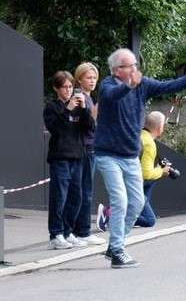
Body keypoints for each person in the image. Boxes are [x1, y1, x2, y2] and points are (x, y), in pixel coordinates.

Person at [94, 48, 186, 268]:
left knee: (136, 203)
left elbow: (168, 86)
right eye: (130, 65)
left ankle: (114, 245)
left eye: (135, 64)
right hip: (108, 155)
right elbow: (111, 97)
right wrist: (129, 86)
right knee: (120, 200)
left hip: (129, 156)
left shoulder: (142, 85)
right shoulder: (108, 85)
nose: (135, 68)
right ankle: (117, 251)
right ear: (118, 70)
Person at [43, 71, 95, 249]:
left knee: (76, 198)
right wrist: (68, 109)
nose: (68, 90)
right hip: (60, 158)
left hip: (77, 158)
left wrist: (85, 110)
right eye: (64, 87)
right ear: (56, 88)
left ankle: (67, 232)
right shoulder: (52, 107)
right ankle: (55, 235)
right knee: (59, 197)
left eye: (71, 87)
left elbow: (91, 128)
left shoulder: (78, 106)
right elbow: (56, 129)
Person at [71, 62, 105, 245]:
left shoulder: (88, 98)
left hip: (89, 147)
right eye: (88, 78)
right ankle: (81, 231)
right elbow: (86, 123)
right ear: (79, 79)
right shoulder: (79, 97)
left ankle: (79, 230)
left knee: (84, 190)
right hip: (84, 148)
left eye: (94, 78)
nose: (92, 81)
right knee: (84, 191)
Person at [135, 111, 171, 227]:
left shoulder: (140, 135)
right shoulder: (150, 144)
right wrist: (162, 171)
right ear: (160, 127)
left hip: (127, 179)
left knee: (153, 179)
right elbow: (146, 174)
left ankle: (139, 207)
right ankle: (112, 214)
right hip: (134, 183)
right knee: (149, 220)